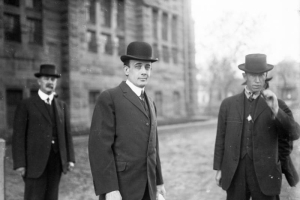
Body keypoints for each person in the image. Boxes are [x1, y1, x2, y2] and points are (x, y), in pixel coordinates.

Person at [213, 54, 300, 200]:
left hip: (266, 174)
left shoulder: (276, 104)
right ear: (244, 76)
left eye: (261, 75)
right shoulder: (228, 105)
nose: (258, 80)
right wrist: (219, 168)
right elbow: (220, 139)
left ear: (266, 75)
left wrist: (276, 110)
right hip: (235, 173)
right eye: (253, 75)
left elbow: (294, 133)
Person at [89, 41, 166, 200]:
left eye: (148, 67)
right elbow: (100, 149)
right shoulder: (110, 98)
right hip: (121, 190)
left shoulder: (151, 103)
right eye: (138, 66)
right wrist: (110, 189)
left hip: (148, 189)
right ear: (126, 69)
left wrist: (158, 182)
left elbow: (153, 147)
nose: (144, 71)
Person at [12, 64, 75, 200]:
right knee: (34, 197)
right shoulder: (27, 105)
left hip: (55, 162)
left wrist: (70, 158)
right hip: (34, 164)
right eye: (46, 78)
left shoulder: (61, 106)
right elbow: (18, 136)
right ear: (39, 81)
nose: (50, 82)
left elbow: (67, 133)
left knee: (52, 197)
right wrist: (19, 163)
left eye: (53, 79)